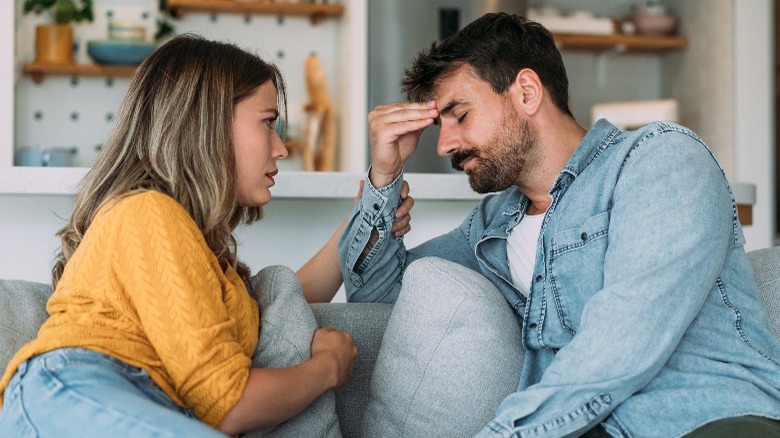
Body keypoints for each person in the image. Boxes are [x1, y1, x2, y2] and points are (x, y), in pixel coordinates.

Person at [338, 12, 780, 438]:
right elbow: (379, 299)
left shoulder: (659, 159)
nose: (444, 145)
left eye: (460, 115)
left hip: (708, 418)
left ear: (527, 92)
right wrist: (384, 177)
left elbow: (623, 340)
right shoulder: (493, 225)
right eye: (440, 125)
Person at [0, 34, 414, 436]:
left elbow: (285, 298)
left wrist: (369, 209)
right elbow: (228, 405)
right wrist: (326, 369)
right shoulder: (146, 212)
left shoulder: (203, 259)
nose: (281, 148)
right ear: (208, 124)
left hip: (129, 401)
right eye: (268, 123)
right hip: (78, 390)